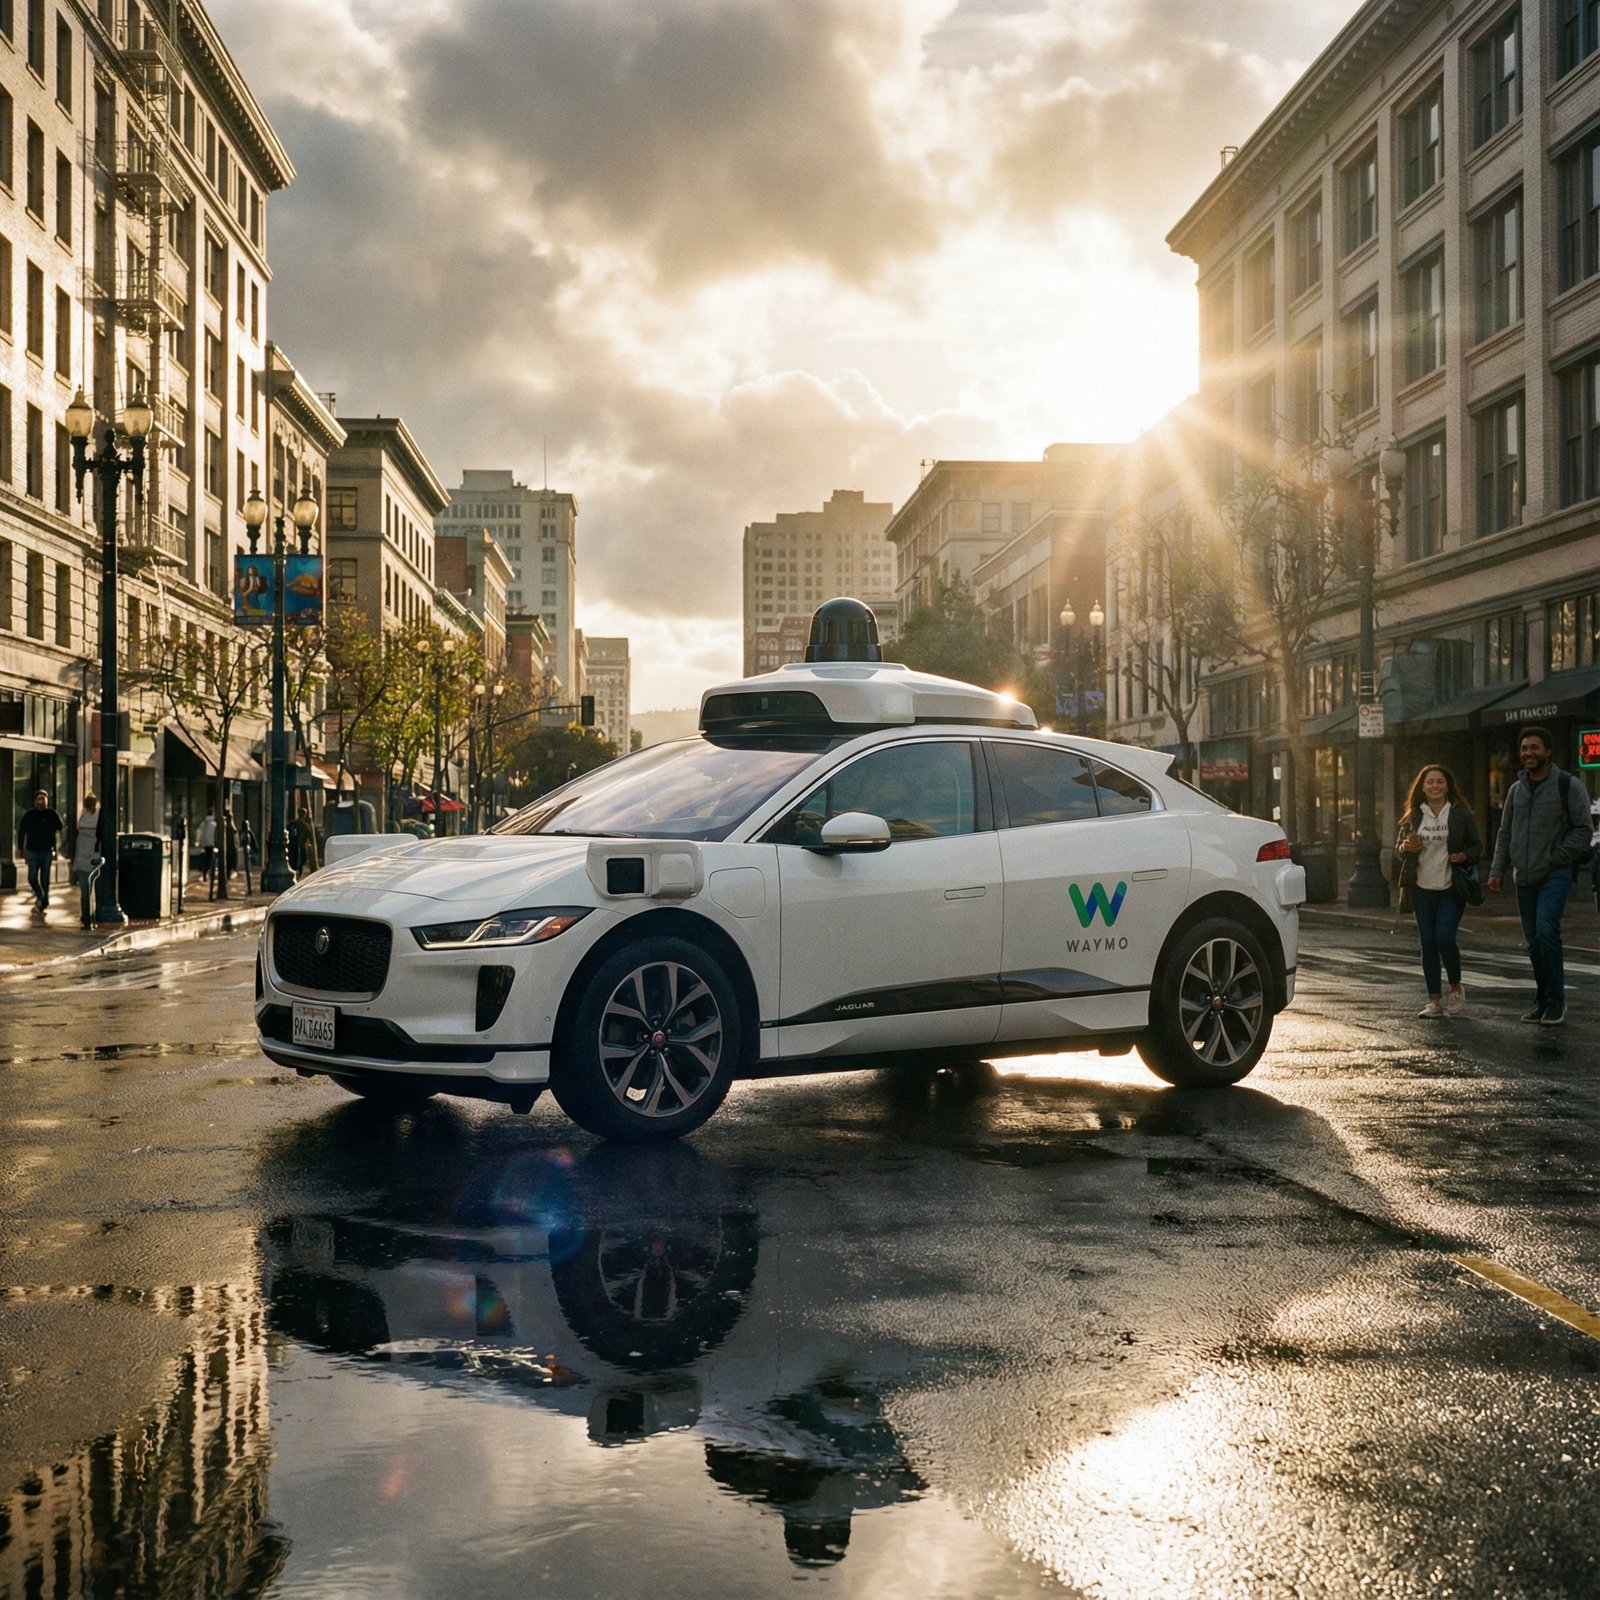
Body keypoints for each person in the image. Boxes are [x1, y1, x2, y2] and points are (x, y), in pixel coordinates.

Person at [1487, 725, 1593, 1026]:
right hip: (1523, 876)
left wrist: (1556, 858)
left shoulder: (1567, 785)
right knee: (1534, 941)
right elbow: (1505, 833)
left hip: (1555, 874)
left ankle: (1557, 1002)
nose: (1528, 753)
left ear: (1548, 751)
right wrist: (1496, 871)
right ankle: (1542, 1000)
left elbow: (1583, 829)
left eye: (1534, 747)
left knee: (1546, 931)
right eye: (1524, 748)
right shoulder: (1515, 790)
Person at [1394, 764, 1482, 1019]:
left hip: (1451, 887)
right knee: (1428, 944)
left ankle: (1455, 986)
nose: (1435, 786)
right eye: (1430, 782)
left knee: (1444, 938)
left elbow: (1477, 847)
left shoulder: (1460, 815)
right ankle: (1434, 1001)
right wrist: (1406, 848)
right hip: (1421, 888)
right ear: (1422, 787)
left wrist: (1464, 855)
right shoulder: (1413, 817)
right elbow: (1399, 850)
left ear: (1447, 786)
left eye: (1440, 782)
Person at [17, 789, 64, 912]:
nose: (41, 801)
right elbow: (21, 831)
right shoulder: (29, 815)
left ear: (47, 801)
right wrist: (20, 848)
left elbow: (60, 827)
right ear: (35, 801)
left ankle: (43, 902)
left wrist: (56, 844)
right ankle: (41, 895)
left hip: (46, 851)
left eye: (43, 799)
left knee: (44, 879)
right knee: (32, 877)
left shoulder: (51, 813)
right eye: (39, 799)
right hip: (32, 851)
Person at [69, 793, 104, 929]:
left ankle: (86, 917)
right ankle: (93, 915)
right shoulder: (99, 816)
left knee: (85, 891)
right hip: (94, 857)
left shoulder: (83, 818)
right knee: (95, 889)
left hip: (82, 858)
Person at [291, 801, 320, 874]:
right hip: (301, 844)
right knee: (301, 859)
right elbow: (308, 836)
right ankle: (299, 871)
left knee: (296, 858)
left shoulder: (293, 824)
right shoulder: (305, 825)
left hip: (295, 844)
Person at [195, 805, 218, 884]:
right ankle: (209, 874)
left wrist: (198, 841)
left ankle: (206, 873)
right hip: (212, 843)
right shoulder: (214, 824)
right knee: (211, 859)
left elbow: (199, 832)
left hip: (205, 843)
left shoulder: (204, 823)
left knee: (208, 858)